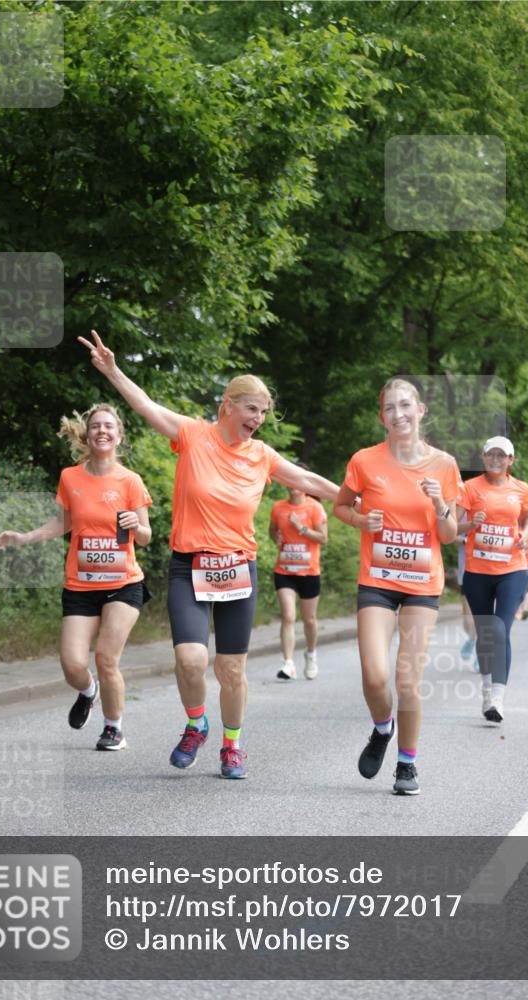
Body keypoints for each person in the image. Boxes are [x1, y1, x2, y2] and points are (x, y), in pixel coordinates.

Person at [79, 329, 339, 779]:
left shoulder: (262, 455)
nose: (258, 418)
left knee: (231, 669)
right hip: (190, 565)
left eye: (264, 412)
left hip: (238, 567)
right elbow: (146, 407)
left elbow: (311, 482)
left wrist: (360, 498)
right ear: (228, 405)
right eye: (252, 409)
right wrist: (113, 370)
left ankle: (232, 745)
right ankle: (197, 723)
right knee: (191, 659)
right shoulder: (193, 435)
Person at [0, 404, 152, 751]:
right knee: (72, 665)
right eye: (96, 426)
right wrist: (23, 537)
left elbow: (146, 536)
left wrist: (136, 526)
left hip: (123, 584)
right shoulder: (71, 477)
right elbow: (63, 523)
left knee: (106, 658)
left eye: (109, 426)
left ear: (119, 436)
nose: (102, 431)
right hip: (81, 585)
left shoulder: (130, 480)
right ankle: (88, 691)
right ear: (87, 434)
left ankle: (113, 728)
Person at [333, 377, 459, 796]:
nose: (398, 414)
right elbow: (340, 505)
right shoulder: (365, 461)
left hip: (422, 583)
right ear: (382, 417)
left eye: (405, 405)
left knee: (407, 679)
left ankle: (407, 764)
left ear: (420, 410)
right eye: (390, 408)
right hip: (378, 579)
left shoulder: (444, 464)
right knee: (374, 676)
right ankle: (382, 728)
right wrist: (359, 519)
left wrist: (439, 504)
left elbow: (448, 535)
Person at [456, 437, 528, 724]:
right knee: (486, 632)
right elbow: (451, 526)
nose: (496, 460)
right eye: (491, 454)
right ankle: (487, 690)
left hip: (512, 568)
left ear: (511, 460)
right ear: (483, 457)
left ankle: (498, 698)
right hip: (478, 570)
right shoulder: (470, 488)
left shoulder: (521, 489)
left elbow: (527, 518)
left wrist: (526, 534)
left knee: (500, 630)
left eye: (502, 455)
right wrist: (470, 525)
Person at [269, 475, 328, 680]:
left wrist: (300, 527)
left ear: (304, 486)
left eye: (297, 482)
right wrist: (276, 537)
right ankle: (288, 663)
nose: (293, 486)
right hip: (284, 570)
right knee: (288, 616)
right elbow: (272, 531)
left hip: (309, 572)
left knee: (309, 620)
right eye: (290, 482)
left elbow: (323, 538)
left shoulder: (314, 508)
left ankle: (311, 654)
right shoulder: (278, 507)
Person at [456, 510, 477, 668]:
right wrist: (466, 541)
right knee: (467, 620)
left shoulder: (493, 509)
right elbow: (450, 535)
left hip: (490, 572)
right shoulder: (462, 512)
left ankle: (481, 654)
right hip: (466, 570)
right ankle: (472, 639)